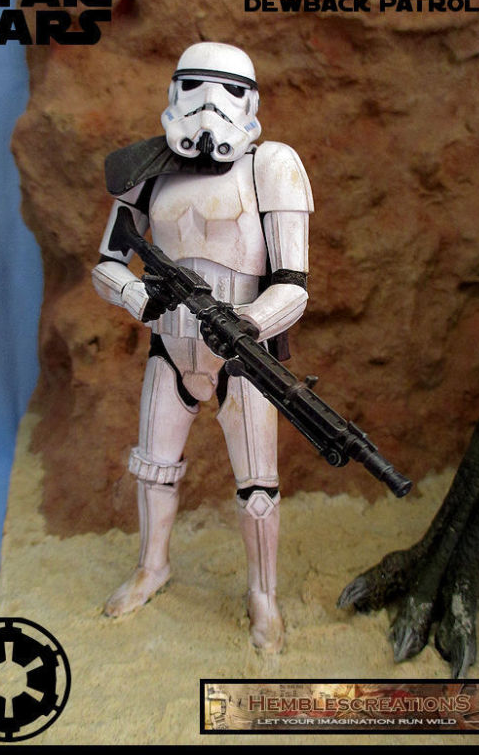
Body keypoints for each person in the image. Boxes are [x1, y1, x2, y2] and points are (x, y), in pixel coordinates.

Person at [91, 42, 313, 652]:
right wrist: (135, 295)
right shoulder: (150, 167)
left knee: (258, 487)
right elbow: (108, 262)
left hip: (244, 356)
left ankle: (263, 595)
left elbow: (293, 285)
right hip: (169, 346)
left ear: (251, 102)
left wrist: (248, 322)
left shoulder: (273, 165)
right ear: (174, 91)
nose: (210, 104)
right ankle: (151, 566)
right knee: (153, 467)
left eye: (229, 90)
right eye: (196, 86)